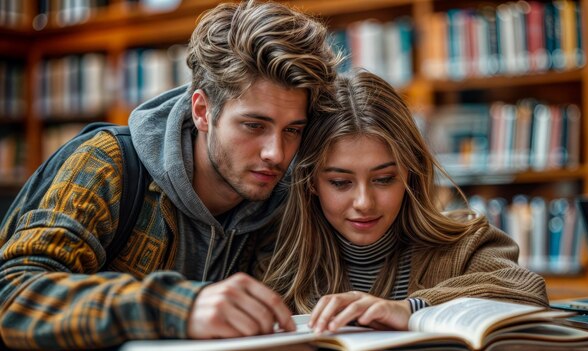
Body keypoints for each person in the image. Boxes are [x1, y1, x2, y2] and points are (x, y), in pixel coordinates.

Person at [0, 1, 339, 349]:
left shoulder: (285, 199)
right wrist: (176, 306)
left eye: (292, 130)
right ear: (202, 111)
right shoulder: (106, 163)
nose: (276, 154)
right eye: (254, 125)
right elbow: (13, 297)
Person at [261, 70, 549, 334]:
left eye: (384, 179)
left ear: (410, 173)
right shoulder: (276, 262)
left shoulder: (467, 246)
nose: (364, 202)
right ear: (311, 181)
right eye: (340, 182)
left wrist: (411, 309)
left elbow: (527, 292)